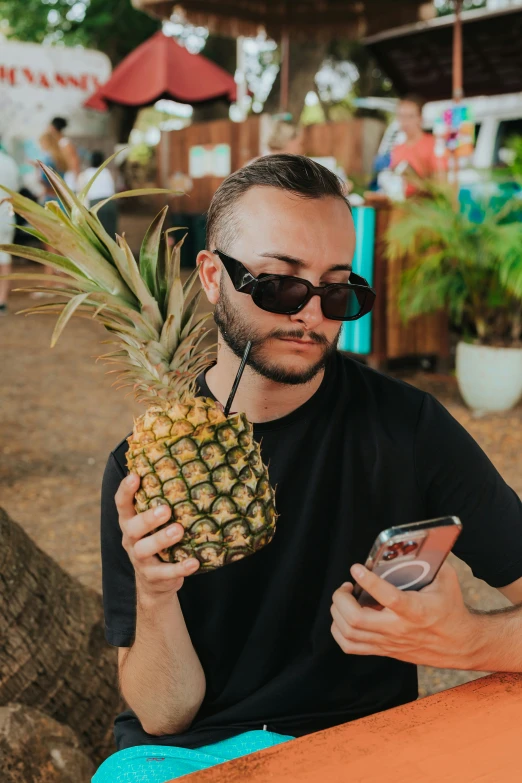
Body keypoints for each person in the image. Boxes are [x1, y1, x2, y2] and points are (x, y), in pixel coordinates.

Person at [96, 155, 522, 783]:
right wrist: (156, 597)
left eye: (339, 290)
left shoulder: (409, 428)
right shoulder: (142, 466)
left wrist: (468, 641)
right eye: (281, 285)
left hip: (363, 745)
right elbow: (164, 716)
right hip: (193, 753)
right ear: (212, 277)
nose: (312, 314)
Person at [391, 94, 445, 197]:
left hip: (426, 207)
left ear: (420, 118)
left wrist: (417, 182)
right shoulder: (397, 148)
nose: (405, 122)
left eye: (410, 116)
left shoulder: (433, 144)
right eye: (401, 116)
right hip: (403, 207)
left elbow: (441, 184)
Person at [0, 140, 20, 315]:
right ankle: (2, 301)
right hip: (6, 216)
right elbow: (16, 189)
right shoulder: (9, 162)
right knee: (5, 256)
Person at [77, 150, 118, 237]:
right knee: (111, 233)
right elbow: (113, 188)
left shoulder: (85, 174)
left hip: (95, 204)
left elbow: (82, 193)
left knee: (98, 234)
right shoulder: (108, 172)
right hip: (109, 203)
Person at [48, 116, 80, 192]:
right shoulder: (57, 143)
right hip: (63, 176)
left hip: (70, 178)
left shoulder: (65, 143)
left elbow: (74, 161)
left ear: (53, 128)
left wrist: (76, 179)